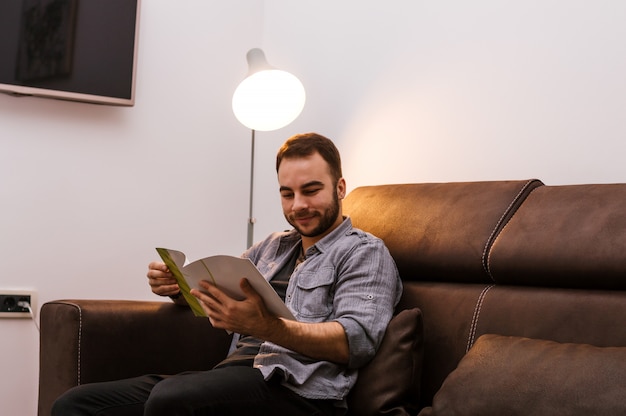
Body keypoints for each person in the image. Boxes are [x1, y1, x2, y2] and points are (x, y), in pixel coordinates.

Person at [52, 132, 402, 416]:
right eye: (287, 193)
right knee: (76, 405)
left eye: (311, 190)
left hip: (299, 393)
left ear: (340, 188)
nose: (298, 205)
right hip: (232, 375)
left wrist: (267, 327)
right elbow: (221, 295)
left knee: (172, 399)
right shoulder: (273, 247)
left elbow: (355, 341)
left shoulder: (365, 252)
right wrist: (178, 288)